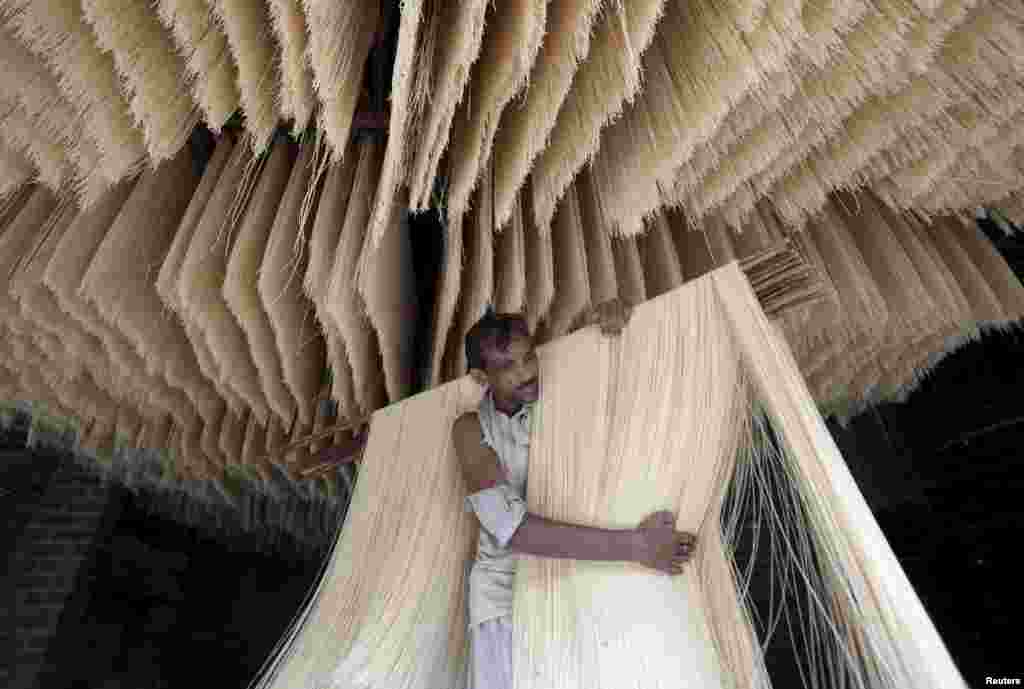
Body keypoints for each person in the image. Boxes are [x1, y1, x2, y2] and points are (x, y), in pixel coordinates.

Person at [453, 301, 698, 689]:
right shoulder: (470, 431)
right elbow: (513, 530)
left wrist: (602, 326)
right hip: (505, 598)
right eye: (507, 367)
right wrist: (637, 546)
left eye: (528, 355)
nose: (527, 372)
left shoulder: (558, 390)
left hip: (575, 579)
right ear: (480, 377)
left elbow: (602, 355)